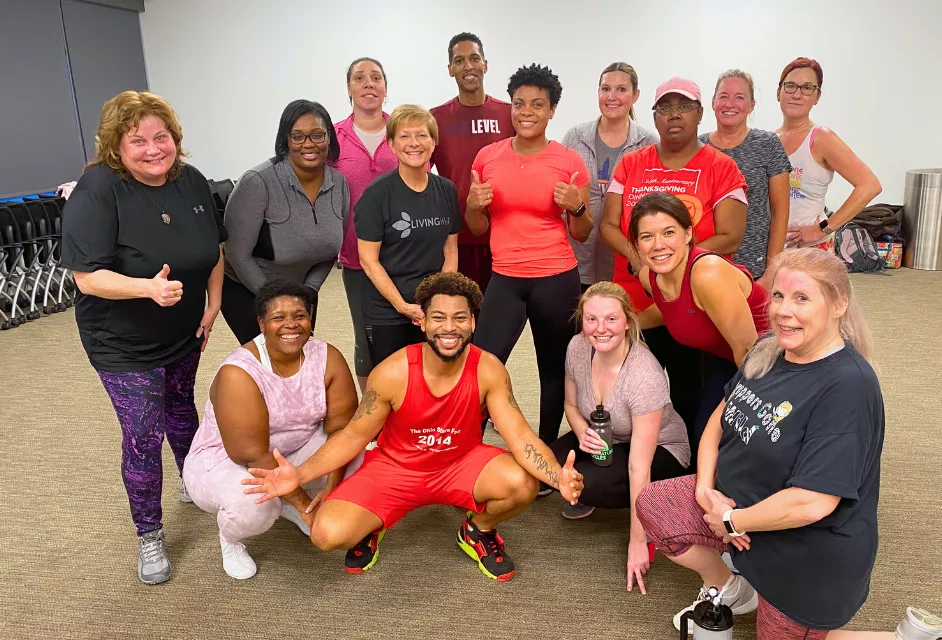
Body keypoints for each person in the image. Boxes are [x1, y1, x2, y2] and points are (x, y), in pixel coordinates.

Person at [635, 248, 941, 640]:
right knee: (655, 504)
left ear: (838, 303)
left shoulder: (848, 386)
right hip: (736, 509)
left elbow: (813, 502)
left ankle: (900, 639)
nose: (783, 311)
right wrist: (706, 491)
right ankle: (734, 587)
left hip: (805, 549)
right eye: (778, 296)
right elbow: (717, 424)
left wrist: (731, 522)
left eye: (801, 298)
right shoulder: (769, 349)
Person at [241, 272, 584, 581]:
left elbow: (521, 437)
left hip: (459, 463)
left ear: (473, 322)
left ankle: (477, 530)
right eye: (438, 317)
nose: (449, 327)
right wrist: (299, 475)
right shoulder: (392, 373)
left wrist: (556, 477)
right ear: (422, 322)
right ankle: (372, 524)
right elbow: (354, 435)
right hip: (396, 468)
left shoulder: (489, 370)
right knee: (326, 534)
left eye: (459, 318)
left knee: (522, 483)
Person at [60, 90, 226, 585]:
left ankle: (194, 482)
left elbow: (213, 248)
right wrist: (146, 289)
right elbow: (86, 277)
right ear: (117, 145)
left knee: (181, 406)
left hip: (184, 327)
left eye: (162, 137)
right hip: (122, 342)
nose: (154, 149)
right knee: (143, 432)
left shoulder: (191, 181)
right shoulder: (97, 190)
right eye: (139, 141)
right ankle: (149, 533)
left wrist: (213, 299)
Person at [183, 281, 363, 579]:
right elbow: (252, 455)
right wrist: (308, 507)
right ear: (262, 323)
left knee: (363, 456)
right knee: (256, 506)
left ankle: (290, 503)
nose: (291, 325)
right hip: (229, 461)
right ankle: (231, 540)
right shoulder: (239, 372)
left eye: (300, 315)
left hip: (293, 448)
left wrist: (331, 494)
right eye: (279, 318)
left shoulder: (326, 357)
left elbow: (342, 430)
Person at [599, 77, 748, 435]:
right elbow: (608, 225)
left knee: (689, 391)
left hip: (696, 305)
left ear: (699, 114)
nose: (674, 115)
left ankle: (690, 466)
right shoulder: (632, 164)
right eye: (665, 108)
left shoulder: (721, 167)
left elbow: (731, 236)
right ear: (654, 116)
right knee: (630, 390)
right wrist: (641, 260)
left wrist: (676, 261)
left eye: (683, 107)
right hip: (637, 299)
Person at [467, 63, 593, 460]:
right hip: (505, 278)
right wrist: (472, 207)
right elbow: (475, 227)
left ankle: (547, 449)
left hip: (556, 278)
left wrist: (577, 207)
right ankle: (468, 446)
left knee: (553, 371)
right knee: (482, 366)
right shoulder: (487, 158)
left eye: (538, 104)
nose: (526, 111)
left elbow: (583, 232)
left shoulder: (569, 161)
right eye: (519, 103)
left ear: (552, 110)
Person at [549, 282, 689, 593]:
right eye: (591, 319)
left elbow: (640, 465)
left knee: (591, 485)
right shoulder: (577, 347)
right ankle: (593, 489)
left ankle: (656, 511)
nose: (600, 329)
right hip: (606, 435)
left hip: (661, 448)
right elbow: (571, 405)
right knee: (550, 465)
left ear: (627, 321)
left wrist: (637, 541)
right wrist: (580, 428)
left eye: (611, 319)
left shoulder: (644, 375)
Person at [631, 193, 769, 450]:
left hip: (772, 361)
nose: (658, 245)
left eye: (668, 232)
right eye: (647, 237)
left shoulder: (708, 274)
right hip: (729, 359)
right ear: (637, 245)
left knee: (724, 442)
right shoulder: (650, 276)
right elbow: (671, 309)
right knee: (701, 439)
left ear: (688, 234)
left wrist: (757, 416)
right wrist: (625, 324)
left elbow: (750, 351)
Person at [220, 100, 349, 344]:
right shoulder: (257, 182)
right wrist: (276, 302)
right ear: (285, 140)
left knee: (299, 356)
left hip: (301, 291)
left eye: (317, 135)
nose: (308, 144)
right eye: (297, 137)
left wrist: (309, 291)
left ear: (329, 137)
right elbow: (238, 255)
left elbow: (331, 249)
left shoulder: (339, 184)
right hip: (249, 288)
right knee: (267, 363)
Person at [355, 104, 461, 366]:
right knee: (394, 386)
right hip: (388, 310)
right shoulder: (377, 195)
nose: (414, 143)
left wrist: (437, 302)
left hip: (431, 308)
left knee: (435, 379)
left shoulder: (446, 190)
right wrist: (402, 306)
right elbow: (369, 260)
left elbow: (450, 250)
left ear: (433, 142)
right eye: (404, 136)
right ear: (391, 144)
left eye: (422, 135)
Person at [332, 57, 399, 391]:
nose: (368, 84)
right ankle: (371, 414)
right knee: (366, 336)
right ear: (349, 89)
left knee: (405, 330)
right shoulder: (333, 137)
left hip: (404, 254)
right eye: (359, 78)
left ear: (386, 88)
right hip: (356, 255)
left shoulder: (404, 131)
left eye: (376, 77)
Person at [561, 62, 658, 290]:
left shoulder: (648, 143)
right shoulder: (575, 137)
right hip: (574, 263)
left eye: (621, 90)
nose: (611, 96)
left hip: (626, 268)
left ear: (635, 95)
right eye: (605, 89)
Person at [430, 32, 513, 295]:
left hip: (503, 234)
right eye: (459, 60)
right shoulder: (436, 118)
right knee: (463, 316)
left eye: (474, 58)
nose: (468, 66)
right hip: (456, 238)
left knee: (499, 320)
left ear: (485, 65)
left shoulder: (508, 114)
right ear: (450, 69)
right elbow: (419, 175)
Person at [775, 57, 882, 251]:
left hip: (810, 249)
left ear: (817, 97)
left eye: (807, 88)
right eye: (790, 86)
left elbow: (870, 185)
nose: (797, 94)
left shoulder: (821, 138)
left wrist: (823, 228)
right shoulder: (770, 140)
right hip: (774, 248)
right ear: (778, 92)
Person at [700, 70, 791, 284]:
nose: (730, 104)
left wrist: (772, 271)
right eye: (723, 96)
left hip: (754, 267)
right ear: (713, 102)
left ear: (751, 105)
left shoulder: (767, 144)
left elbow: (780, 214)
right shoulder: (697, 147)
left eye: (739, 97)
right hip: (704, 264)